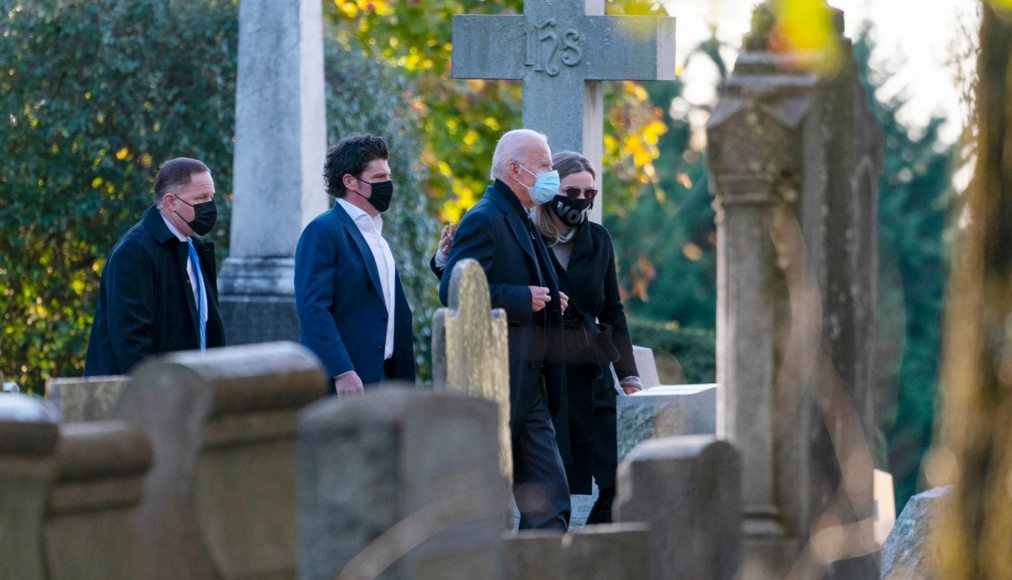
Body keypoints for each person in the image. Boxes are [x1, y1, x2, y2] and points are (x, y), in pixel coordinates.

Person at [433, 151, 642, 524]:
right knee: (551, 483)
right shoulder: (522, 230)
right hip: (548, 372)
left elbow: (613, 308)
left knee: (615, 478)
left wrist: (628, 374)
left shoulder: (597, 239)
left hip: (591, 370)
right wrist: (444, 264)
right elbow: (471, 286)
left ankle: (588, 551)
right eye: (571, 191)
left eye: (589, 193)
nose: (581, 201)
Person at [438, 129, 571, 531]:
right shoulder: (486, 217)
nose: (552, 174)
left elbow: (528, 278)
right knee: (544, 503)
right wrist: (520, 297)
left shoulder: (519, 215)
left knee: (549, 502)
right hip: (503, 380)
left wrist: (549, 300)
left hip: (528, 382)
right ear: (517, 169)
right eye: (545, 165)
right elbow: (454, 290)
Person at [295, 134, 415, 396]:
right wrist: (341, 371)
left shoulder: (376, 234)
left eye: (388, 177)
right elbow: (313, 308)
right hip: (348, 382)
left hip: (386, 377)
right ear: (349, 181)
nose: (388, 185)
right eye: (379, 178)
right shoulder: (323, 230)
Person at [85, 157, 225, 375]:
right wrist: (159, 393)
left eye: (211, 197)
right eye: (201, 198)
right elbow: (131, 338)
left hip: (188, 389)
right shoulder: (134, 251)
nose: (210, 206)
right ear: (171, 202)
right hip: (145, 397)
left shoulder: (192, 247)